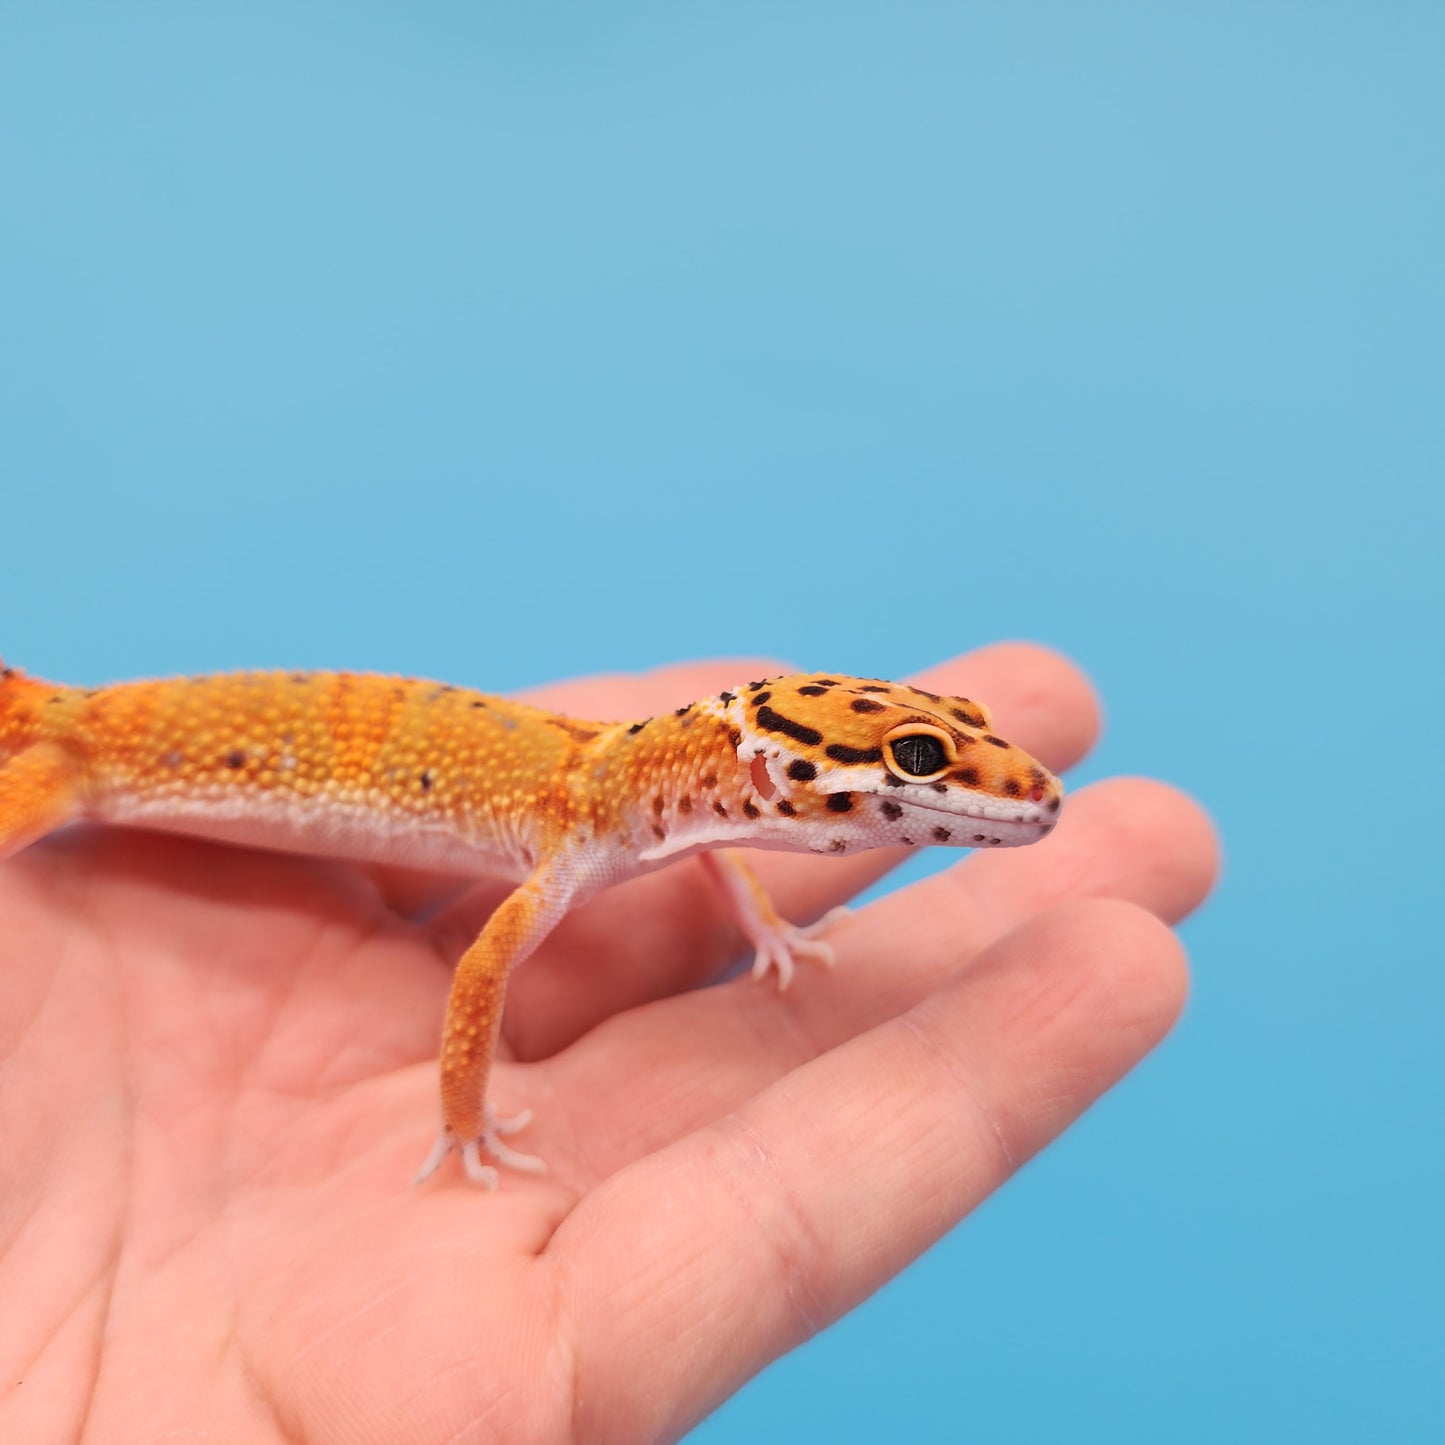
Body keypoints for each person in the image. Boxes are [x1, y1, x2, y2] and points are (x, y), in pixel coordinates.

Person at [0, 644, 1215, 1443]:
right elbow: (481, 971)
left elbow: (708, 841)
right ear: (766, 773)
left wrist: (759, 922)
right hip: (67, 754)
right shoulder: (585, 820)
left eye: (943, 746)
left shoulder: (656, 808)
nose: (993, 787)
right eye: (913, 762)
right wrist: (463, 1121)